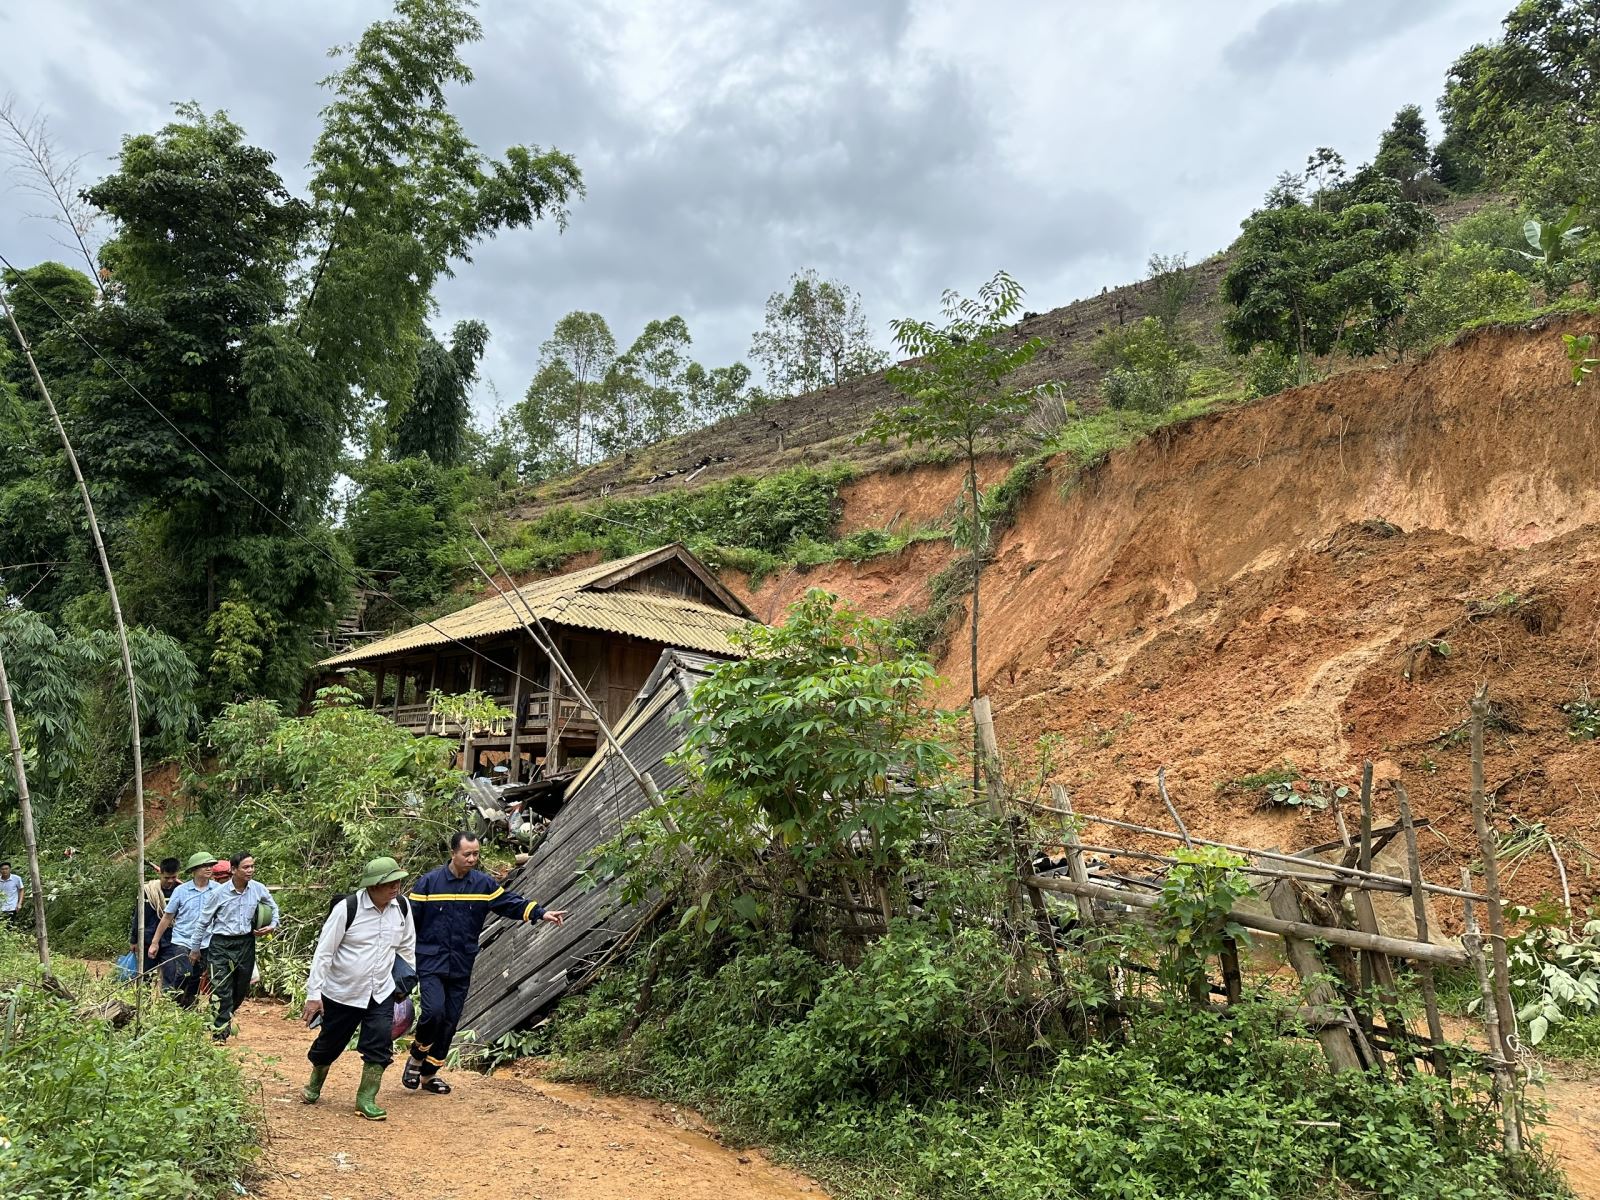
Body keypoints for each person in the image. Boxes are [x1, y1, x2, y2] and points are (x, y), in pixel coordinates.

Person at [402, 832, 566, 1093]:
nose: (472, 859)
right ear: (453, 853)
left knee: (450, 1020)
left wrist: (541, 912)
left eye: (476, 854)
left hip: (461, 962)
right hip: (430, 960)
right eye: (467, 854)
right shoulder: (429, 884)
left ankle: (428, 1076)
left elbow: (509, 903)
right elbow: (409, 922)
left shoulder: (483, 884)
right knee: (434, 1013)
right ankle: (417, 1055)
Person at [301, 856, 417, 1120]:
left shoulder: (401, 907)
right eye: (389, 883)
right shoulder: (347, 908)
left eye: (397, 882)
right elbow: (324, 953)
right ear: (373, 885)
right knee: (330, 1043)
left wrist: (405, 978)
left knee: (379, 1042)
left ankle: (366, 1098)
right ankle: (315, 1082)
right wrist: (313, 994)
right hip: (343, 991)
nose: (395, 887)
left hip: (381, 991)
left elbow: (407, 945)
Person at [191, 850, 279, 1041]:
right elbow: (203, 922)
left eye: (252, 866)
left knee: (240, 990)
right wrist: (195, 948)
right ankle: (219, 1034)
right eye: (246, 867)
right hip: (220, 944)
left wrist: (272, 925)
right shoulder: (218, 893)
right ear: (233, 870)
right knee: (221, 987)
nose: (250, 870)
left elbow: (273, 907)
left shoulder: (258, 889)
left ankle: (222, 1017)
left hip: (246, 943)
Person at [148, 851, 217, 1006]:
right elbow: (167, 917)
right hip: (183, 940)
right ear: (194, 869)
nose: (209, 868)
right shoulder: (181, 891)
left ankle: (187, 1004)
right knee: (185, 972)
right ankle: (174, 999)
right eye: (204, 866)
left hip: (206, 941)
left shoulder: (217, 890)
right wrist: (155, 942)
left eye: (210, 865)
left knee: (197, 977)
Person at [130, 857, 181, 976]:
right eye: (166, 877)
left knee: (171, 975)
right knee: (145, 975)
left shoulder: (180, 891)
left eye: (173, 877)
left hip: (171, 940)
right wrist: (134, 940)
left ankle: (167, 994)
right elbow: (138, 916)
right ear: (160, 873)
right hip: (147, 939)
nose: (170, 881)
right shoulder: (148, 891)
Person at [0, 862, 23, 930]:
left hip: (12, 907)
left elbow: (21, 889)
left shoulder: (16, 878)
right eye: (2, 869)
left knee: (10, 927)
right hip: (1, 907)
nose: (4, 871)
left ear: (10, 869)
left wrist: (19, 903)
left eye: (6, 869)